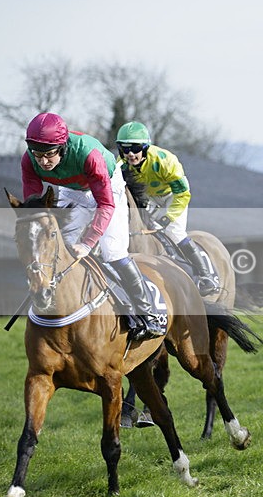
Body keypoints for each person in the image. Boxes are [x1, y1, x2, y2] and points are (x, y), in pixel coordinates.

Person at [21, 112, 166, 340]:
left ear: (62, 147)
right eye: (37, 155)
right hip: (73, 190)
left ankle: (149, 313)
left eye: (49, 155)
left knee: (112, 251)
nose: (43, 161)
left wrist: (88, 243)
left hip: (108, 188)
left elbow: (105, 204)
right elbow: (34, 206)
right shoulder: (29, 160)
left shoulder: (89, 155)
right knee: (62, 249)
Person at [115, 121, 219, 296]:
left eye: (135, 148)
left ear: (145, 147)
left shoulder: (165, 161)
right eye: (125, 149)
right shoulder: (121, 165)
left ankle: (205, 276)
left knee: (174, 231)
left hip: (173, 196)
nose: (131, 154)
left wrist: (169, 216)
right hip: (149, 198)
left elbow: (183, 194)